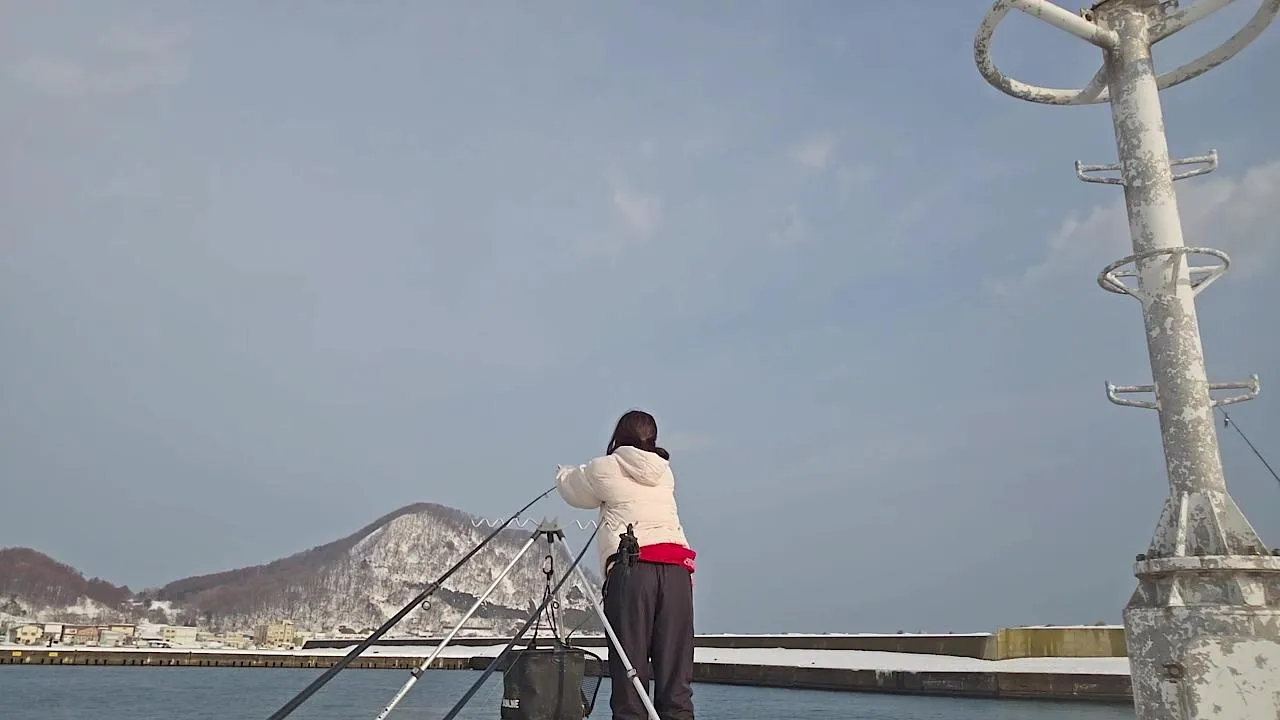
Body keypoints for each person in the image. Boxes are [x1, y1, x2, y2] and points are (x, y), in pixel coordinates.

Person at [555, 409, 695, 720]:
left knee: (630, 674)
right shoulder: (664, 472)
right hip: (677, 570)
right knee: (676, 680)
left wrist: (562, 473)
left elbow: (574, 490)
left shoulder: (605, 467)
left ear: (619, 436)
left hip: (634, 568)